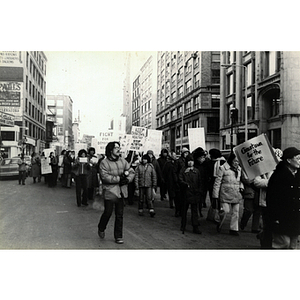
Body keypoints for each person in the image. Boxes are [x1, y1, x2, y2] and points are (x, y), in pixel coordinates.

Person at [98, 141, 134, 244]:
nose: (119, 149)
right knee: (108, 212)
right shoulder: (104, 163)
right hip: (110, 191)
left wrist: (127, 180)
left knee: (120, 214)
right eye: (116, 148)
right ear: (110, 150)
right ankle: (101, 227)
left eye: (119, 147)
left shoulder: (123, 161)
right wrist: (119, 179)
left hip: (121, 191)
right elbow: (104, 177)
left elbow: (131, 171)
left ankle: (118, 236)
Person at [266, 147, 300, 249]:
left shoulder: (299, 175)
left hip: (296, 216)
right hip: (281, 216)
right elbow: (272, 198)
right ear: (288, 160)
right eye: (298, 158)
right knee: (283, 242)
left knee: (294, 244)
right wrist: (274, 217)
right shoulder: (278, 176)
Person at [253, 148, 283, 249]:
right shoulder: (262, 168)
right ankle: (265, 243)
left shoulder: (282, 169)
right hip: (265, 201)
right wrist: (270, 183)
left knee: (274, 225)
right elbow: (256, 182)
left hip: (278, 201)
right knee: (266, 224)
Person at [212, 152, 244, 236]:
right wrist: (215, 195)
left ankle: (234, 229)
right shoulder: (222, 168)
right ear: (231, 160)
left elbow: (240, 180)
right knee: (225, 211)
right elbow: (217, 182)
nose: (236, 163)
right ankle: (220, 223)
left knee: (236, 212)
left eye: (238, 161)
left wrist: (241, 187)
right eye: (235, 161)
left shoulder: (239, 169)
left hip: (235, 193)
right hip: (225, 193)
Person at [179, 154, 202, 234]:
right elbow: (180, 180)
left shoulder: (196, 171)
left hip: (195, 193)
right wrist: (186, 185)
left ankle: (195, 227)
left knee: (194, 211)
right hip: (186, 193)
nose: (190, 163)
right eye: (189, 161)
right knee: (184, 211)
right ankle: (183, 225)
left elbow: (199, 182)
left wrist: (199, 191)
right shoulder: (183, 170)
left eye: (192, 161)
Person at [193, 147, 210, 217]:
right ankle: (196, 213)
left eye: (203, 157)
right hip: (195, 185)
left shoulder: (205, 164)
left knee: (200, 199)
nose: (203, 158)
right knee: (196, 200)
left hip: (203, 185)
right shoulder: (194, 166)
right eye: (201, 157)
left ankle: (199, 211)